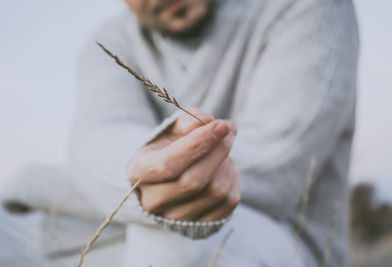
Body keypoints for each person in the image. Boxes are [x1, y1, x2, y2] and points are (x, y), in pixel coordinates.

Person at [0, 0, 359, 266]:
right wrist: (144, 175)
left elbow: (273, 176)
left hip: (280, 242)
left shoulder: (305, 7)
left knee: (174, 225)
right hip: (127, 232)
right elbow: (99, 135)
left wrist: (41, 184)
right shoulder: (110, 43)